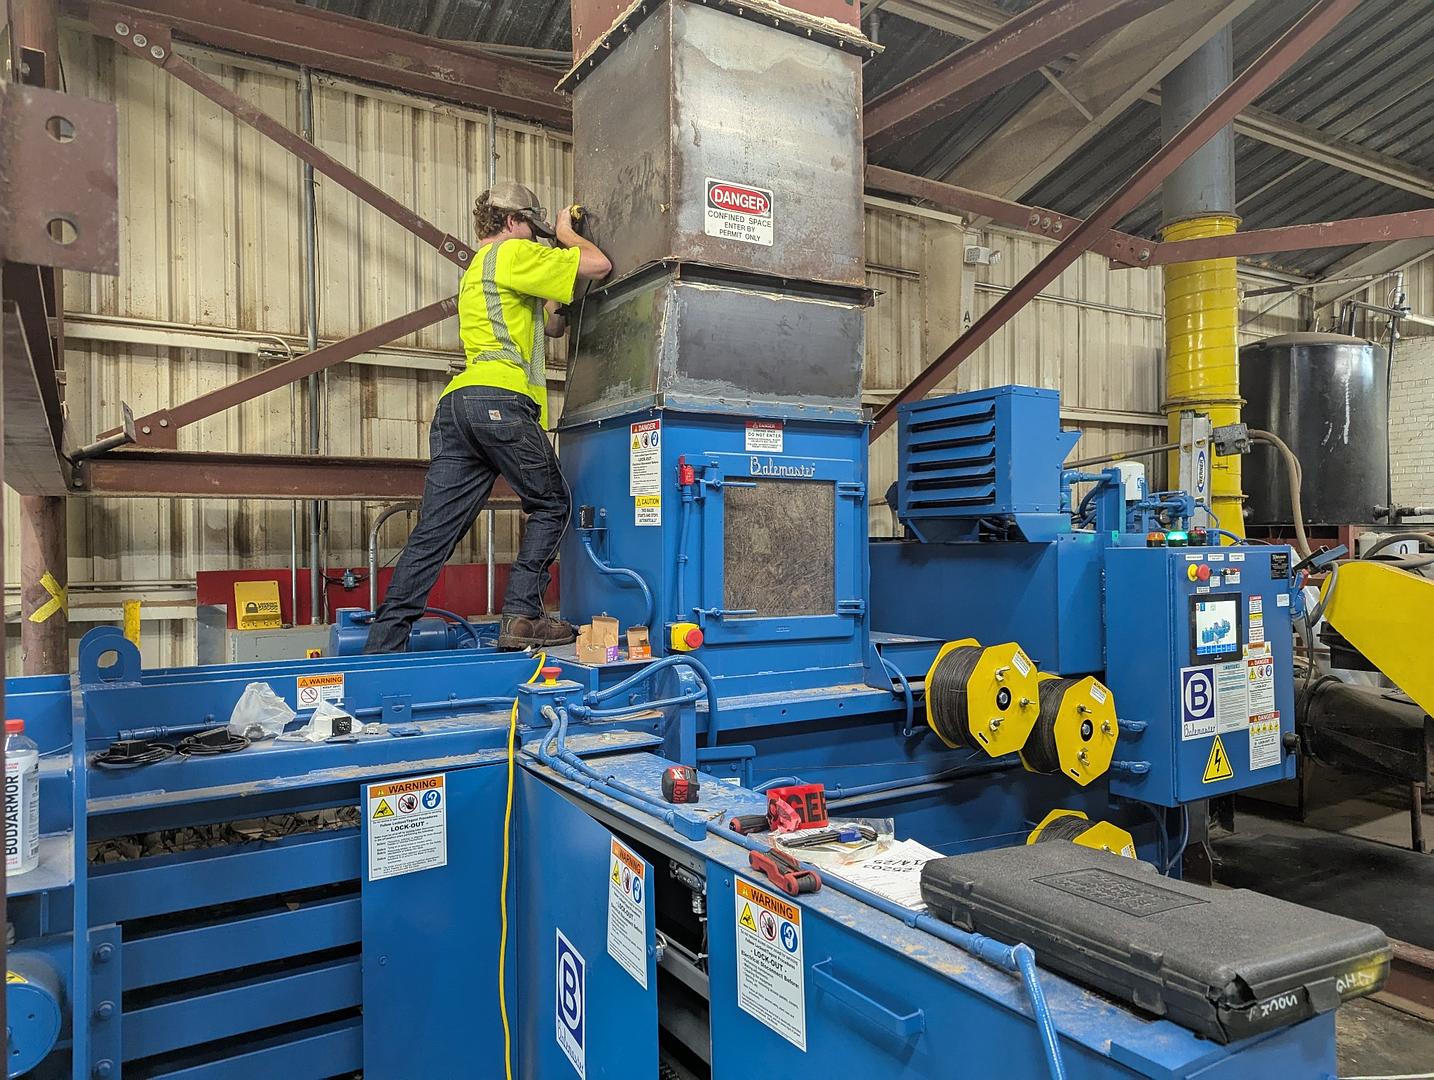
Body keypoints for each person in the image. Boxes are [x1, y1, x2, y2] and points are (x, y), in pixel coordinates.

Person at [364, 182, 612, 653]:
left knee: (435, 531)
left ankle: (383, 645)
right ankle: (522, 616)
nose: (537, 241)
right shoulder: (512, 255)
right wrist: (567, 235)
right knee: (553, 502)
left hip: (458, 406)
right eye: (531, 230)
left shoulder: (480, 269)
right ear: (513, 223)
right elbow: (599, 265)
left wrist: (555, 296)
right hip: (499, 401)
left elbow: (553, 326)